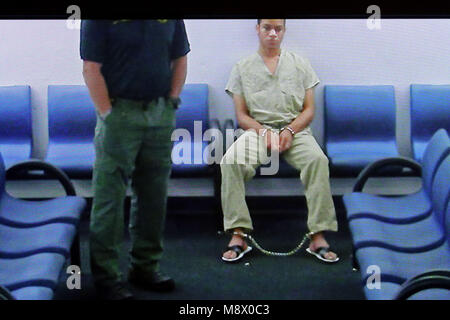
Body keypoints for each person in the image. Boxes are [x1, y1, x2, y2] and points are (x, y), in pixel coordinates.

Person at [80, 19, 190, 300]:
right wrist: (107, 114)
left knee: (154, 196)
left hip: (160, 114)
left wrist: (171, 103)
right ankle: (106, 277)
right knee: (109, 201)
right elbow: (91, 68)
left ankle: (145, 267)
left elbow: (180, 58)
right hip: (119, 115)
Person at [221, 19, 339, 264]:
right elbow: (242, 116)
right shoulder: (242, 68)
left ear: (284, 31)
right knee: (229, 161)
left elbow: (309, 110)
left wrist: (290, 130)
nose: (272, 33)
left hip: (294, 132)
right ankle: (239, 232)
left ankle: (318, 234)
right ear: (258, 29)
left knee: (318, 160)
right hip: (256, 131)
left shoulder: (300, 64)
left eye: (278, 28)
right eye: (267, 28)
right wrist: (264, 132)